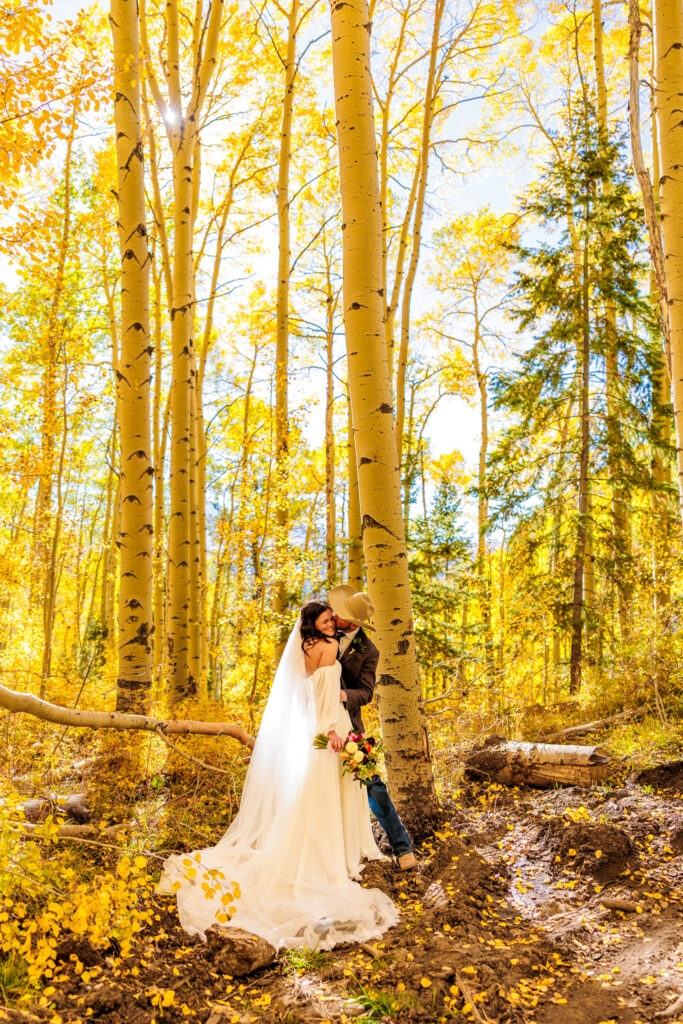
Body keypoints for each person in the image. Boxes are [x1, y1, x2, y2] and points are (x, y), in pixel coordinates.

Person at [158, 601, 398, 950]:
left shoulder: (307, 646)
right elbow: (324, 698)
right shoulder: (329, 646)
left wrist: (324, 720)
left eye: (335, 619)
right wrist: (330, 730)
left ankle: (352, 846)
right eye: (327, 619)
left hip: (310, 730)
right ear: (316, 623)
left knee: (315, 792)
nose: (333, 623)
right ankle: (330, 856)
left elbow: (332, 691)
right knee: (323, 794)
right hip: (326, 728)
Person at [328, 584, 417, 871]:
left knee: (372, 785)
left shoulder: (369, 650)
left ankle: (403, 847)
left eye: (339, 615)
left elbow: (366, 692)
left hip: (349, 724)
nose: (333, 616)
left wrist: (344, 696)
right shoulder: (323, 629)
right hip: (316, 719)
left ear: (353, 623)